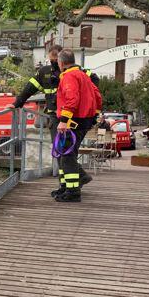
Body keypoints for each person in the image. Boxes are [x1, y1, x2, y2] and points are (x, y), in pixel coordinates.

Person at [12, 44, 100, 196]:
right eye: (51, 60)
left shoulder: (73, 74)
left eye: (56, 60)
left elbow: (84, 93)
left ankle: (73, 187)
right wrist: (16, 103)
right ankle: (67, 185)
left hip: (67, 118)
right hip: (58, 116)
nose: (54, 63)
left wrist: (70, 117)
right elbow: (29, 89)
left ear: (61, 60)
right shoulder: (46, 73)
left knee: (65, 153)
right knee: (61, 153)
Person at [54, 49, 103, 203]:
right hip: (83, 121)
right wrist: (93, 115)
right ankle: (66, 187)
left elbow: (72, 99)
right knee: (65, 154)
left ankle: (73, 191)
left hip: (73, 122)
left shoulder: (69, 76)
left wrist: (63, 120)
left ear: (61, 63)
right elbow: (97, 97)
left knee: (67, 156)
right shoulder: (83, 75)